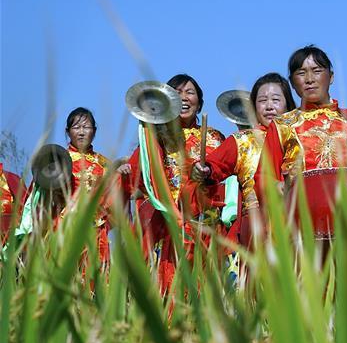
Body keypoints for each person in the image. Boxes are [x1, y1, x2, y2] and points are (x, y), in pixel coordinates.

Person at [121, 73, 226, 294]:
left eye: (190, 92)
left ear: (200, 102)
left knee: (208, 285)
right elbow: (138, 180)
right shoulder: (157, 138)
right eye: (177, 93)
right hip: (170, 222)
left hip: (207, 223)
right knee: (170, 284)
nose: (184, 98)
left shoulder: (216, 137)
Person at [193, 72, 296, 246]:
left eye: (276, 100)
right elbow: (215, 165)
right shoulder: (243, 140)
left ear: (288, 105)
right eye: (262, 101)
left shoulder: (299, 136)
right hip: (257, 228)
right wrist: (205, 169)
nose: (269, 106)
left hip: (298, 223)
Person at [258, 46, 347, 191]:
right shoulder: (282, 125)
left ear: (331, 77)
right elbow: (264, 177)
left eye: (317, 71)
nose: (309, 79)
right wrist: (279, 187)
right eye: (301, 73)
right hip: (299, 210)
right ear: (292, 83)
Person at [62, 107, 113, 263]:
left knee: (95, 276)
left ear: (94, 131)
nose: (82, 132)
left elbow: (115, 196)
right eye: (76, 127)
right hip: (66, 226)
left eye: (86, 127)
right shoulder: (59, 159)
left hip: (96, 229)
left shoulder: (105, 163)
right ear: (68, 131)